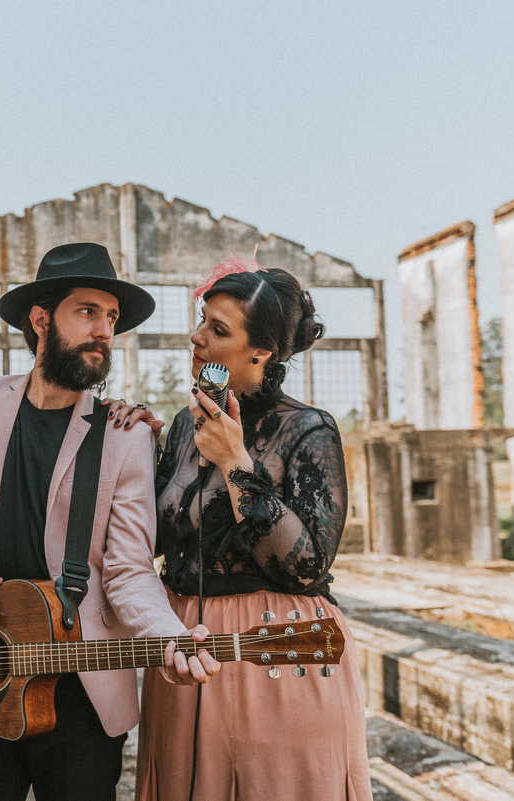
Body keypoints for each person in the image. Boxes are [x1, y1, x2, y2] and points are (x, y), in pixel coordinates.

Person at [0, 242, 220, 801]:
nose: (103, 330)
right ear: (41, 320)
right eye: (87, 311)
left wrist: (170, 638)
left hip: (80, 691)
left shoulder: (125, 435)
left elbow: (129, 570)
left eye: (111, 317)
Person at [106, 254, 372, 800]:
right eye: (202, 321)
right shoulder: (185, 427)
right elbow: (149, 539)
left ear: (261, 351)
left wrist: (236, 463)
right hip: (183, 650)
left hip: (277, 653)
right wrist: (129, 447)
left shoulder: (308, 429)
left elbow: (308, 566)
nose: (197, 337)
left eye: (218, 329)